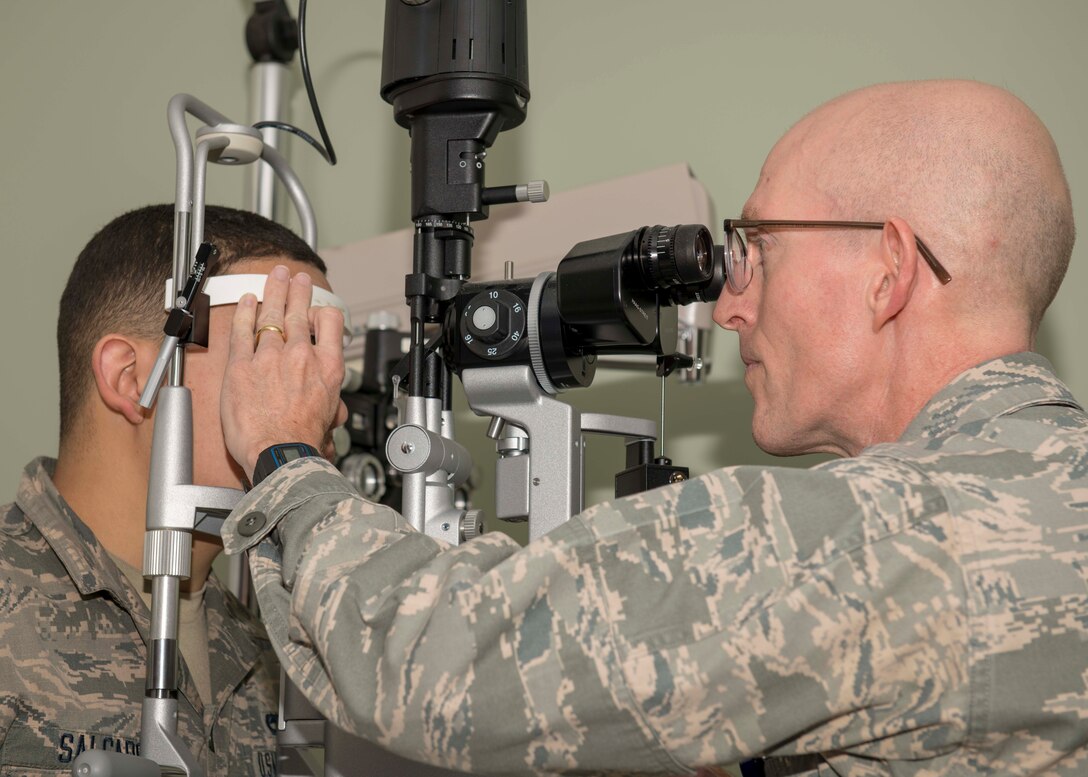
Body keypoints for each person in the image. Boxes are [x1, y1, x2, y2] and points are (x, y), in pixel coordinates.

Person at [217, 79, 1088, 776]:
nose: (733, 305)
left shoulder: (862, 534)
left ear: (888, 269)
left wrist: (287, 457)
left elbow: (427, 661)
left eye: (756, 248)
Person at [0, 204, 344, 776]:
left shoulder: (278, 650)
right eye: (274, 349)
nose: (318, 396)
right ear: (131, 378)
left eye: (324, 365)